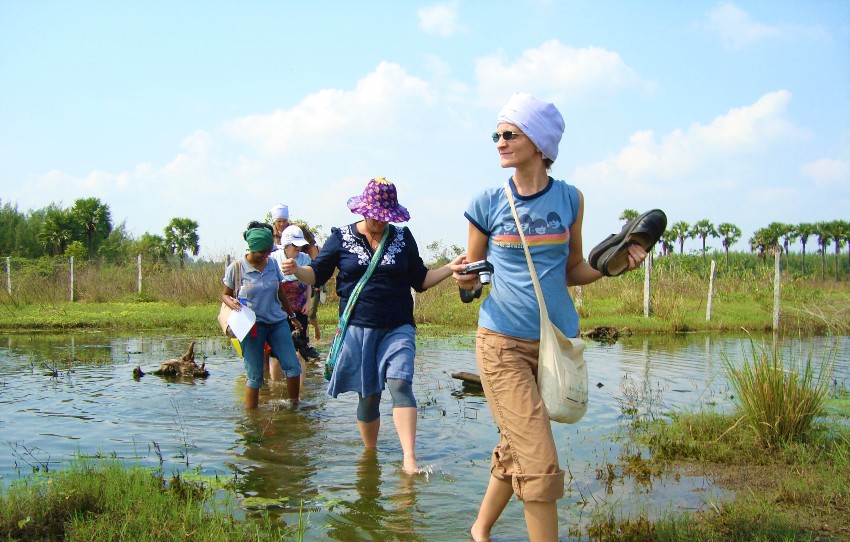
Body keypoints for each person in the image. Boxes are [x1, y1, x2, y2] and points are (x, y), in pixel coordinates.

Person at [453, 93, 647, 542]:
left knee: (520, 443)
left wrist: (615, 264)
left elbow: (573, 269)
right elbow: (473, 281)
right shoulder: (486, 202)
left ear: (540, 143)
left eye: (509, 133)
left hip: (554, 344)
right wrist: (467, 282)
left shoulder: (570, 198)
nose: (499, 142)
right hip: (501, 343)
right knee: (539, 461)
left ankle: (479, 531)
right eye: (496, 134)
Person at [282, 177, 464, 474]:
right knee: (368, 397)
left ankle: (409, 460)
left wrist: (449, 268)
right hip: (358, 328)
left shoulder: (402, 237)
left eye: (384, 217)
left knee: (400, 383)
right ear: (363, 210)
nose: (379, 222)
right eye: (374, 216)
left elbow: (420, 280)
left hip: (398, 325)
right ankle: (370, 456)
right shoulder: (341, 237)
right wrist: (296, 271)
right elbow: (316, 274)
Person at [222, 223, 303, 409]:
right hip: (252, 326)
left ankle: (294, 408)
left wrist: (292, 316)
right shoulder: (236, 268)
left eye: (268, 251)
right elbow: (225, 294)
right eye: (262, 252)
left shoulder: (272, 263)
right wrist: (231, 302)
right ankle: (252, 417)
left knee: (293, 367)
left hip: (277, 322)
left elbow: (280, 292)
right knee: (255, 376)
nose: (266, 255)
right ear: (252, 248)